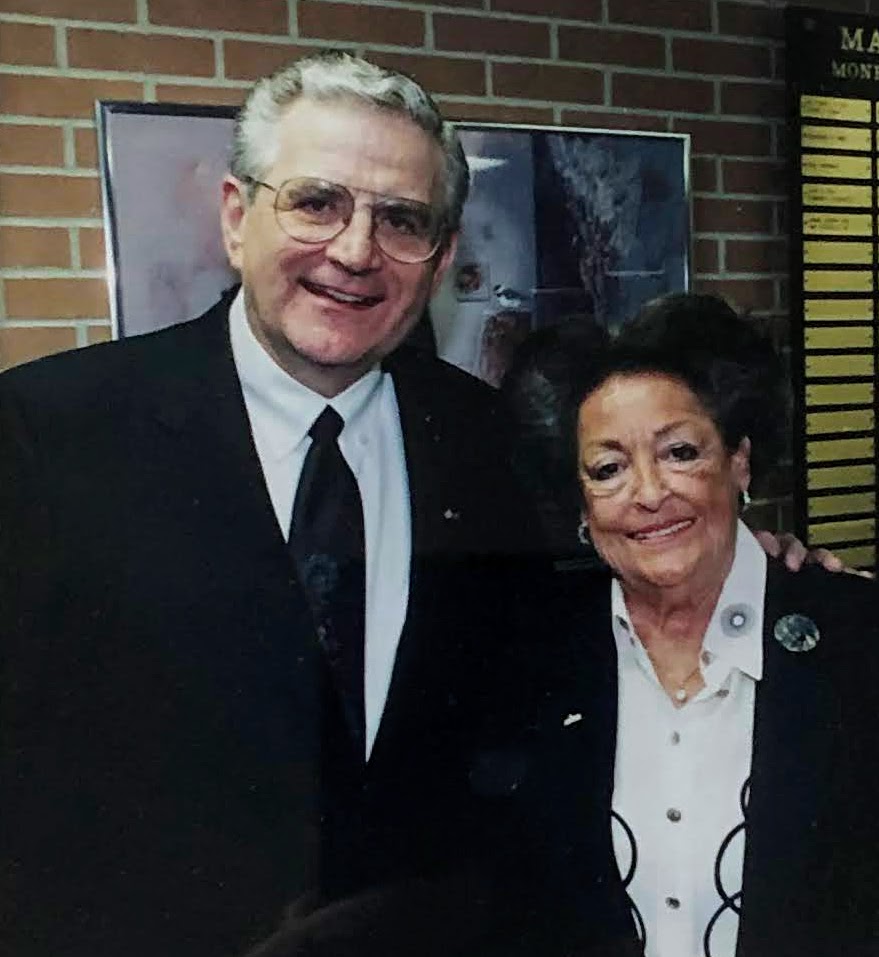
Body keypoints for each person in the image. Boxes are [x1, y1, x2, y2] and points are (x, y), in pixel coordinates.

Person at [0, 52, 538, 955]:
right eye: (317, 202)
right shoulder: (48, 434)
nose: (357, 251)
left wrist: (760, 578)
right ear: (237, 215)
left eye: (401, 219)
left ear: (441, 257)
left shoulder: (492, 442)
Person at [492, 293, 879, 957]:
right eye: (608, 468)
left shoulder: (874, 645)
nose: (647, 491)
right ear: (580, 506)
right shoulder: (538, 665)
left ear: (740, 461)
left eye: (679, 452)